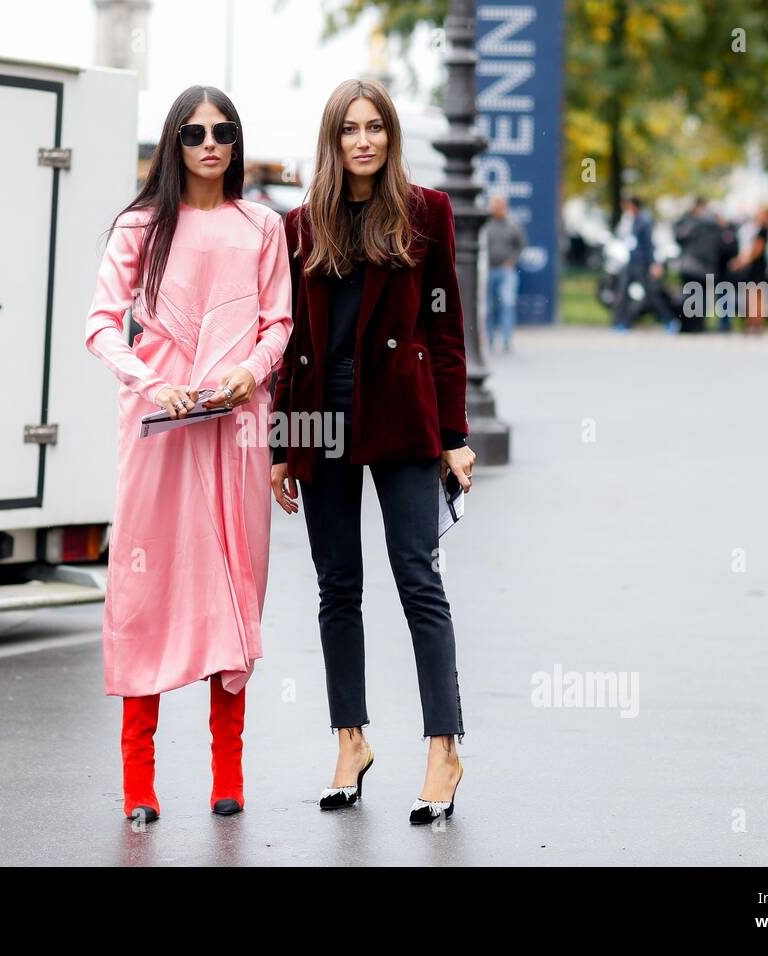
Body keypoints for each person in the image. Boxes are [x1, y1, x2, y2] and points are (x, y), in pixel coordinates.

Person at [83, 85, 293, 824]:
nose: (210, 143)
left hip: (236, 429)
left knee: (233, 587)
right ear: (173, 142)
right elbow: (102, 324)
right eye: (195, 132)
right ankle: (139, 785)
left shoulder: (263, 225)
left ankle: (227, 776)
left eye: (224, 131)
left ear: (236, 143)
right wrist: (152, 381)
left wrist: (252, 372)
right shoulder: (141, 226)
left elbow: (280, 322)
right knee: (146, 591)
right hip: (157, 432)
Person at [269, 78, 474, 825]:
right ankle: (350, 741)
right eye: (350, 128)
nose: (363, 139)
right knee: (336, 585)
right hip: (321, 419)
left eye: (375, 127)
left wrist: (453, 436)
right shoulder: (301, 225)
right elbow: (289, 343)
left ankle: (443, 748)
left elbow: (446, 328)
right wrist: (284, 444)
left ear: (390, 136)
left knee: (419, 579)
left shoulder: (426, 213)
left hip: (399, 414)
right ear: (333, 139)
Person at [613, 195, 675, 331]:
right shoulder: (632, 219)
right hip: (632, 261)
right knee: (622, 292)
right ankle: (622, 323)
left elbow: (650, 244)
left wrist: (654, 263)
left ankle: (669, 320)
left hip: (643, 263)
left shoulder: (645, 220)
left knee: (651, 293)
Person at [673, 197, 723, 334]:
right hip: (708, 265)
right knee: (702, 296)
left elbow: (679, 238)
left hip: (691, 265)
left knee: (689, 295)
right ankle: (698, 325)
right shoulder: (714, 223)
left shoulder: (689, 222)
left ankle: (688, 325)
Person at [484, 195, 527, 351]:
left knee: (507, 304)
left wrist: (512, 260)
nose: (498, 209)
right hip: (488, 270)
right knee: (487, 307)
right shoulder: (485, 225)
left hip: (505, 270)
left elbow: (521, 245)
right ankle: (489, 339)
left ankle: (507, 340)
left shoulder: (513, 226)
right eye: (495, 206)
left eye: (501, 206)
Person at [729, 205, 768, 333]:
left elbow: (757, 250)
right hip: (758, 266)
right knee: (755, 294)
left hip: (757, 267)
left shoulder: (763, 231)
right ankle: (755, 323)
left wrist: (742, 261)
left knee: (754, 295)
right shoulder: (763, 229)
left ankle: (754, 322)